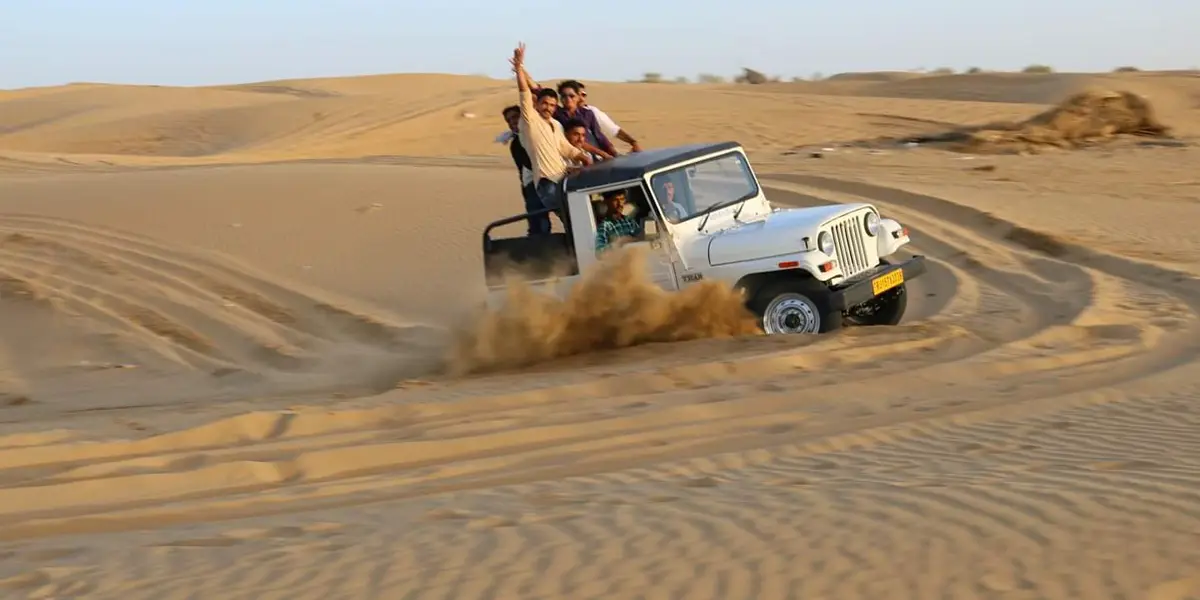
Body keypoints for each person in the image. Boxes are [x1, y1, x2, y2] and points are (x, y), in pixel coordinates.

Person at [510, 43, 591, 236]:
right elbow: (524, 92)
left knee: (580, 219)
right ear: (537, 104)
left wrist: (584, 158)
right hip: (547, 184)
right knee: (574, 220)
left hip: (562, 180)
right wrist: (519, 67)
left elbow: (566, 149)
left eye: (553, 105)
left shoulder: (556, 125)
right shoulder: (530, 121)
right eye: (544, 103)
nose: (548, 107)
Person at [502, 105, 547, 236]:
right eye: (508, 120)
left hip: (551, 179)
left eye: (515, 117)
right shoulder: (516, 143)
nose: (512, 122)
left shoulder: (537, 133)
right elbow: (525, 167)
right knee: (538, 225)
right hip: (533, 185)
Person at [570, 80, 643, 153]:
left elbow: (614, 130)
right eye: (578, 95)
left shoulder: (591, 111)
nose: (582, 99)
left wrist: (633, 142)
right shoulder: (562, 115)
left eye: (583, 95)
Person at [555, 81, 618, 158]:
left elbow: (599, 135)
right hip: (570, 156)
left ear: (578, 97)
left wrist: (613, 151)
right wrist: (602, 153)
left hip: (592, 155)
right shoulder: (557, 115)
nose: (568, 99)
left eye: (572, 96)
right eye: (564, 96)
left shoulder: (587, 114)